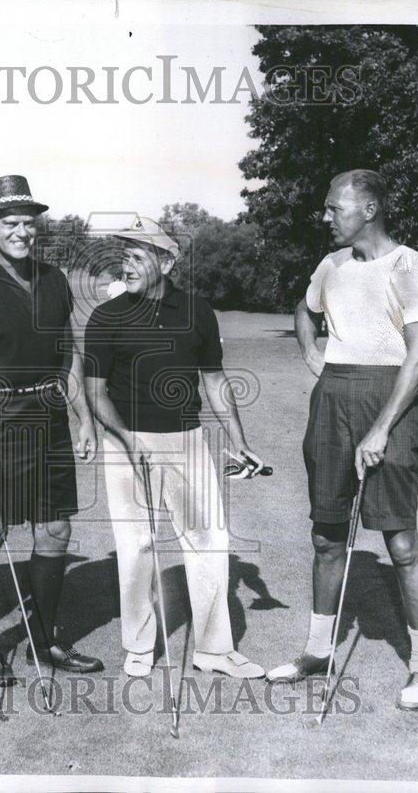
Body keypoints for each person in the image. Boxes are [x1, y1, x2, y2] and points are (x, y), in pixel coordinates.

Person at [267, 169, 418, 711]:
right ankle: (318, 651)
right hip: (334, 398)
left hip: (388, 399)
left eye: (332, 208)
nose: (325, 217)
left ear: (367, 209)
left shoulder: (410, 265)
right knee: (326, 536)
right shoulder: (331, 265)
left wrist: (382, 427)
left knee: (401, 543)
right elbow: (305, 311)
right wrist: (312, 356)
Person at [84, 216, 267, 679]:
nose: (127, 263)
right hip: (128, 444)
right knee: (137, 545)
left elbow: (215, 380)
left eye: (138, 255)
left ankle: (213, 649)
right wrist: (127, 440)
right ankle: (140, 644)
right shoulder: (106, 316)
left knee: (209, 541)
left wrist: (239, 440)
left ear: (166, 261)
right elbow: (95, 391)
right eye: (124, 254)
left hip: (188, 441)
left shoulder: (198, 312)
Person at [0, 174, 103, 685]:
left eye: (29, 223)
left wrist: (83, 418)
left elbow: (67, 357)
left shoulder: (54, 280)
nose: (22, 232)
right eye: (10, 223)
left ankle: (46, 639)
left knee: (55, 529)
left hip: (48, 420)